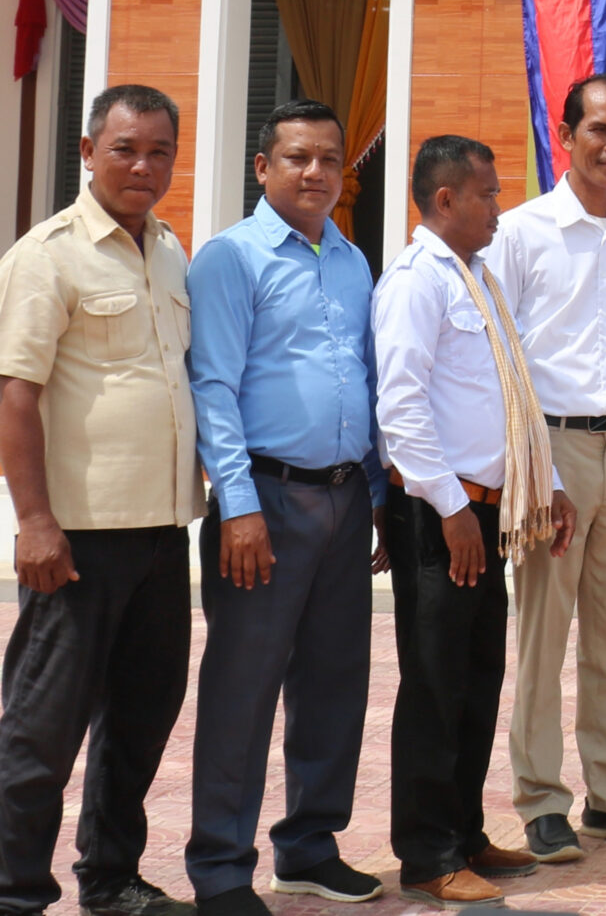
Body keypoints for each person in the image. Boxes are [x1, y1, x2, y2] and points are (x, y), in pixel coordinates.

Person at [0, 86, 198, 916]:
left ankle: (111, 878)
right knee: (42, 729)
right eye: (125, 149)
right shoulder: (47, 256)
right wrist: (35, 522)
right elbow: (14, 395)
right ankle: (12, 891)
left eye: (159, 151)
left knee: (144, 716)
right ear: (87, 152)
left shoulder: (170, 252)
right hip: (79, 538)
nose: (143, 166)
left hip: (160, 532)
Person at [183, 100, 384, 916]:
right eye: (297, 158)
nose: (315, 173)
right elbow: (213, 388)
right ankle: (222, 869)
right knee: (243, 687)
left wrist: (372, 490)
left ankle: (309, 846)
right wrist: (236, 506)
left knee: (335, 683)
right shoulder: (229, 259)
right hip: (264, 501)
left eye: (330, 160)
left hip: (344, 499)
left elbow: (365, 379)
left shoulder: (352, 259)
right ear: (263, 168)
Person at [374, 136, 574, 908]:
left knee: (476, 675)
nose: (500, 206)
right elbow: (403, 407)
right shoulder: (414, 282)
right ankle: (425, 855)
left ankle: (461, 829)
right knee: (432, 681)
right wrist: (453, 510)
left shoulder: (480, 276)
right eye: (487, 193)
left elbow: (509, 392)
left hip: (489, 510)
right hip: (438, 514)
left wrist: (548, 482)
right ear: (446, 199)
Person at [489, 75, 606, 861]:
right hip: (552, 450)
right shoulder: (523, 232)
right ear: (564, 135)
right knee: (543, 632)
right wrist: (539, 473)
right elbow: (500, 352)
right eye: (599, 130)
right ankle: (539, 799)